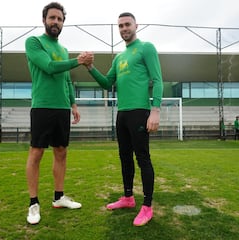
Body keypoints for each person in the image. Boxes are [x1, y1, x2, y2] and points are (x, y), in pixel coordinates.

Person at [84, 12, 163, 226]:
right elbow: (106, 83)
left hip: (140, 112)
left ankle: (147, 206)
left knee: (142, 158)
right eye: (120, 25)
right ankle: (128, 198)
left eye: (127, 24)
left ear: (136, 25)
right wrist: (90, 67)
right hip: (122, 114)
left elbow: (157, 80)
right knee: (124, 157)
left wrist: (155, 110)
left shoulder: (146, 48)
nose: (124, 28)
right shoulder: (119, 57)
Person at [24, 2, 93, 225]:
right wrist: (78, 61)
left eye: (60, 19)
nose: (56, 22)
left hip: (62, 108)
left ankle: (58, 197)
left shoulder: (63, 50)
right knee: (36, 153)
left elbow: (65, 80)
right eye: (52, 18)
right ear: (44, 19)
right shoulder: (34, 42)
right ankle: (33, 203)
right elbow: (50, 68)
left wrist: (73, 104)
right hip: (43, 106)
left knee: (61, 152)